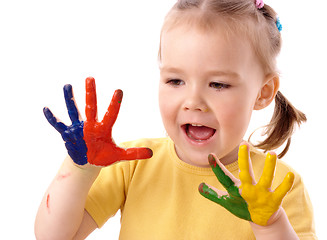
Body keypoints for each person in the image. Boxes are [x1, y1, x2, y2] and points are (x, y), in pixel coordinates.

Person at [35, 0, 317, 239]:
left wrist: (271, 222)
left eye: (218, 84)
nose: (193, 101)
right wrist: (80, 169)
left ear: (263, 93)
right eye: (175, 80)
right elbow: (55, 235)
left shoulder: (277, 187)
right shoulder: (132, 165)